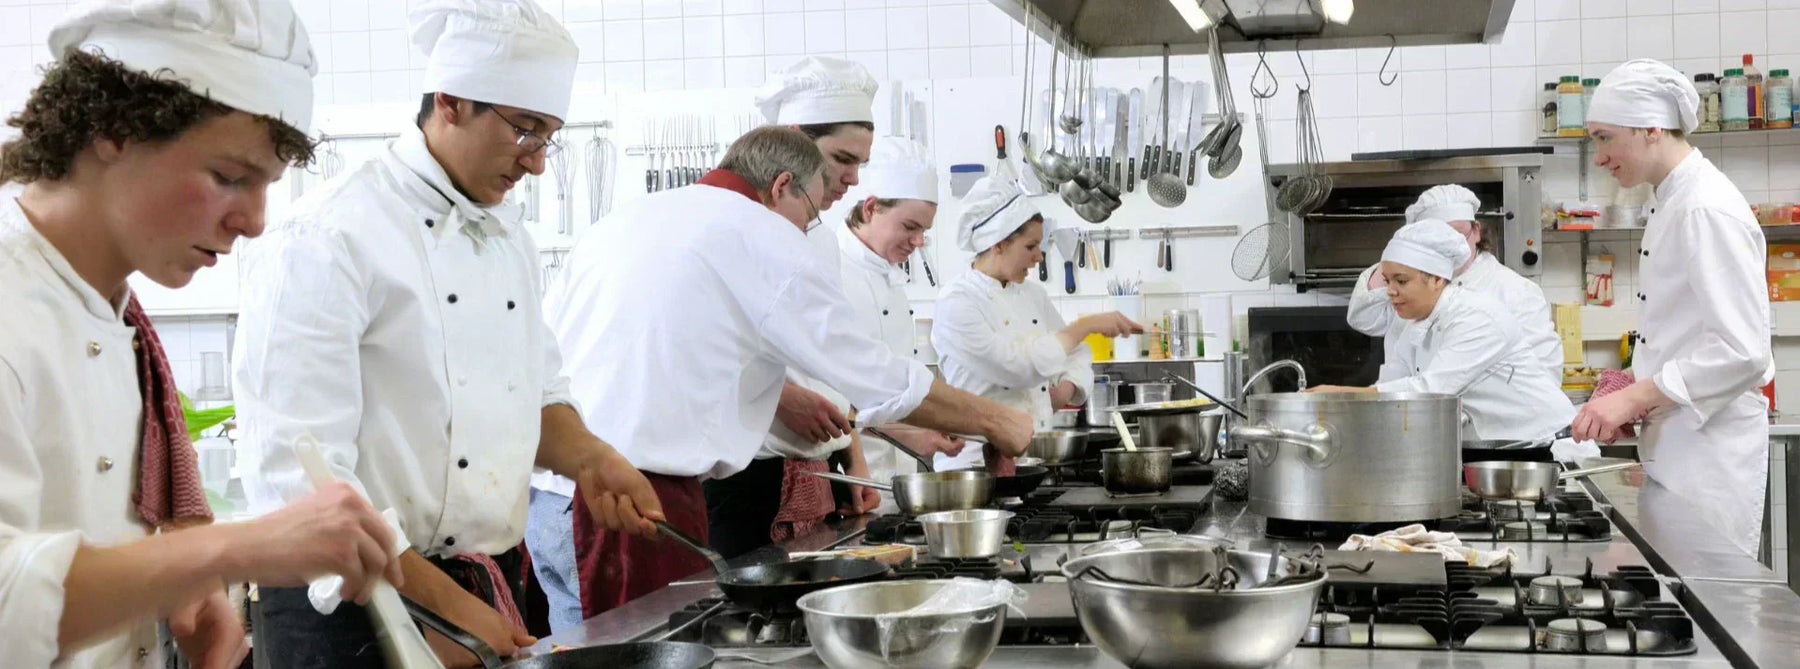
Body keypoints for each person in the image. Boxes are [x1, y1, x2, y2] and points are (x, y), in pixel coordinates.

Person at [232, 1, 663, 664]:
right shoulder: (329, 237)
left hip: (474, 583)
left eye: (548, 137)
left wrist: (590, 457)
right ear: (452, 102)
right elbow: (301, 475)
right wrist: (433, 597)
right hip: (350, 604)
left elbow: (534, 389)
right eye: (525, 131)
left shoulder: (506, 234)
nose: (538, 163)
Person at [0, 2, 405, 667]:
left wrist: (170, 581)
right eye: (228, 177)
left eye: (266, 187)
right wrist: (230, 548)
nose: (253, 222)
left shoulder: (110, 310)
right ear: (113, 128)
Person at [537, 126, 1033, 622]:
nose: (806, 232)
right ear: (780, 186)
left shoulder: (630, 217)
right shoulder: (758, 232)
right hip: (629, 505)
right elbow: (874, 376)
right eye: (812, 213)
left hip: (552, 496)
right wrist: (997, 421)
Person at [702, 136, 965, 560]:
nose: (918, 242)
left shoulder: (889, 283)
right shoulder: (822, 264)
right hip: (771, 473)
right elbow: (831, 385)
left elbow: (853, 392)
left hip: (851, 475)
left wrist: (911, 433)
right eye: (910, 227)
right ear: (869, 208)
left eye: (924, 232)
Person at [1568, 59, 1773, 557]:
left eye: (1604, 138)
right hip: (1680, 448)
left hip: (1708, 460)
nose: (1599, 157)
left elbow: (1743, 351)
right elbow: (1687, 330)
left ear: (1652, 128)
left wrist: (1635, 399)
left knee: (1708, 613)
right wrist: (1633, 387)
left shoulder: (1704, 207)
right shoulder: (1672, 200)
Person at [931, 177, 1143, 472]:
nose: (1038, 257)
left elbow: (1076, 353)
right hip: (974, 467)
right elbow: (1015, 367)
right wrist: (1085, 325)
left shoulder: (1033, 294)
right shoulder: (957, 301)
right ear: (1000, 244)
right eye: (1030, 246)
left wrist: (1066, 389)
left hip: (1035, 457)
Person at [1308, 221, 1578, 447]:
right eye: (1388, 280)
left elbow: (1430, 393)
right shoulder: (1411, 323)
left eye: (1401, 281)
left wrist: (1337, 394)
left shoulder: (1478, 317)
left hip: (1551, 447)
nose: (1390, 291)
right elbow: (1390, 391)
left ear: (1437, 279)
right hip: (1502, 450)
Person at [1347, 185, 1562, 380]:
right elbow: (1363, 318)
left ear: (1476, 231)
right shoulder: (1408, 284)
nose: (1448, 244)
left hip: (1484, 421)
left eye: (1457, 234)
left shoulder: (1515, 291)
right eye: (1435, 237)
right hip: (1412, 413)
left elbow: (1545, 372)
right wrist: (1401, 257)